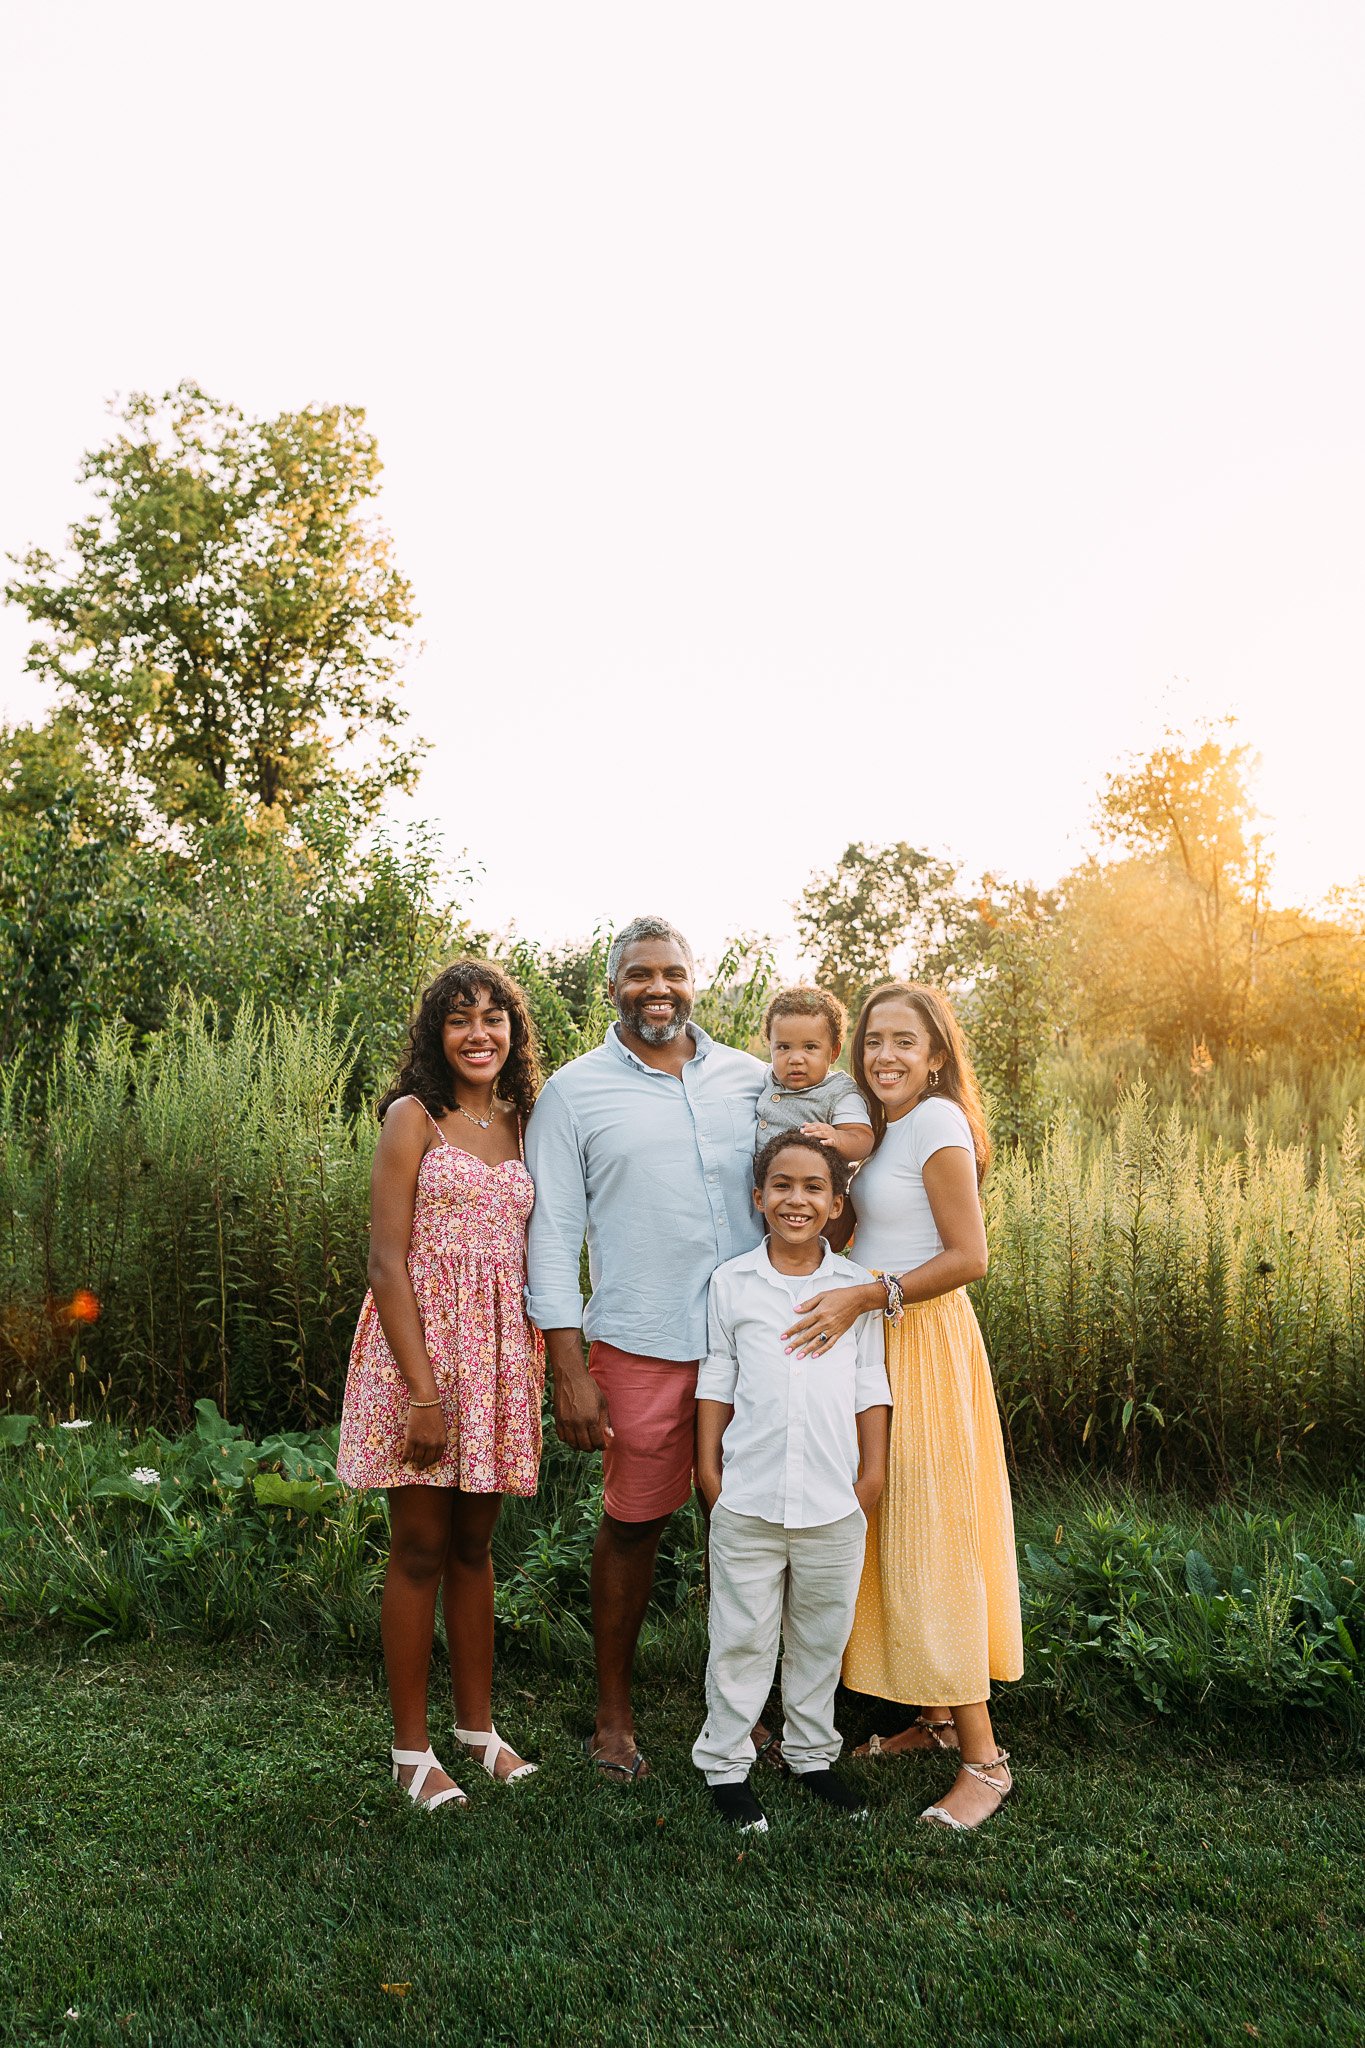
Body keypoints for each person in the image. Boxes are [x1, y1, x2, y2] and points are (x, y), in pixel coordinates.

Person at [524, 913, 766, 1779]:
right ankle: (614, 1714)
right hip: (641, 1341)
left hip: (753, 1344)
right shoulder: (573, 1093)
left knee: (744, 1526)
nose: (655, 988)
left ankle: (746, 1709)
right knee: (634, 1524)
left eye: (670, 971)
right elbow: (550, 1235)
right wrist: (568, 1366)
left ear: (693, 980)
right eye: (637, 974)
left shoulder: (753, 1079)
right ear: (612, 986)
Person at [781, 981, 1023, 1831]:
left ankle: (984, 1762)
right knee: (885, 1533)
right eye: (873, 1040)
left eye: (903, 1042)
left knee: (932, 1537)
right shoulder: (880, 1130)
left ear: (935, 1056)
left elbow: (969, 1257)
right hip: (873, 1338)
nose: (884, 1054)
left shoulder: (936, 1125)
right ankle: (927, 1715)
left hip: (921, 1342)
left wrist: (865, 1297)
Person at [337, 960, 545, 1810]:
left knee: (473, 1548)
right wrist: (422, 1393)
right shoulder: (411, 1119)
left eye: (494, 1017)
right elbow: (386, 1262)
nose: (479, 1033)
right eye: (460, 1018)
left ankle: (478, 1730)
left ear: (514, 1033)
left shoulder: (527, 1123)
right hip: (416, 1354)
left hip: (498, 1354)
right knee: (420, 1548)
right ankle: (410, 1752)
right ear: (436, 1032)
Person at [692, 1133, 891, 1833]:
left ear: (836, 1205)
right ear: (758, 1199)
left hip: (834, 1497)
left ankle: (810, 1755)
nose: (795, 1199)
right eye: (781, 1185)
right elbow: (717, 1374)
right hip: (748, 1492)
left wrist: (870, 1475)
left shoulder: (854, 1288)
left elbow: (870, 1382)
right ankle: (724, 1765)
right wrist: (708, 1468)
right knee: (742, 1635)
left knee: (818, 1635)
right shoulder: (733, 1283)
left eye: (813, 1188)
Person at [753, 986, 875, 1166]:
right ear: (770, 1048)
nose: (795, 1059)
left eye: (810, 1047)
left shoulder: (839, 1092)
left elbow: (863, 1138)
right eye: (784, 1047)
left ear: (834, 1052)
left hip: (813, 1188)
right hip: (767, 1187)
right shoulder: (768, 1078)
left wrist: (838, 1138)